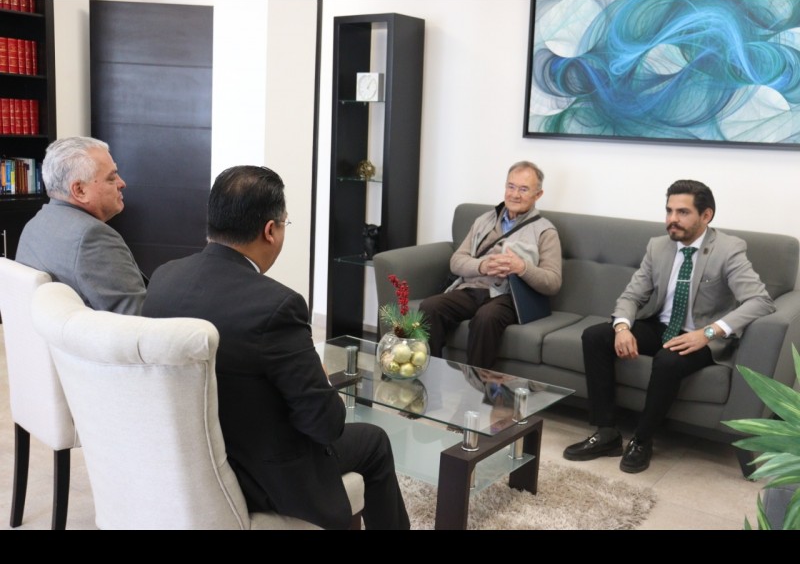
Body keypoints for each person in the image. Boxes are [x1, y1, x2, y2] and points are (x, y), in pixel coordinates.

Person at [141, 165, 410, 530]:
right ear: (270, 230)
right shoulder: (277, 306)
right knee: (374, 441)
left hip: (185, 461)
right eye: (284, 224)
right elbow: (325, 425)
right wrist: (321, 384)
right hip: (260, 478)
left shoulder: (163, 278)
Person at [564, 180, 775, 473]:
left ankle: (642, 440)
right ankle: (606, 433)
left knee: (668, 360)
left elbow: (760, 301)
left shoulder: (728, 249)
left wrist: (708, 332)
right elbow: (632, 295)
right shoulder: (658, 246)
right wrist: (622, 328)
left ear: (706, 215)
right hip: (661, 325)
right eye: (669, 210)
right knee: (595, 336)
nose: (672, 219)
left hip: (702, 335)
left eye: (682, 212)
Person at [418, 160, 562, 369]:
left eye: (523, 189)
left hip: (508, 297)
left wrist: (522, 268)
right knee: (430, 307)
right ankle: (429, 376)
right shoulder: (483, 221)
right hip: (472, 289)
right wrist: (482, 266)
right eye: (511, 186)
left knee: (486, 318)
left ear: (538, 195)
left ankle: (475, 386)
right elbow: (456, 261)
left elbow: (553, 282)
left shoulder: (545, 231)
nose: (515, 194)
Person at [15, 136, 146, 315]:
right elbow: (136, 317)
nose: (122, 183)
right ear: (80, 190)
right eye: (111, 178)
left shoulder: (35, 224)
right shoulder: (93, 237)